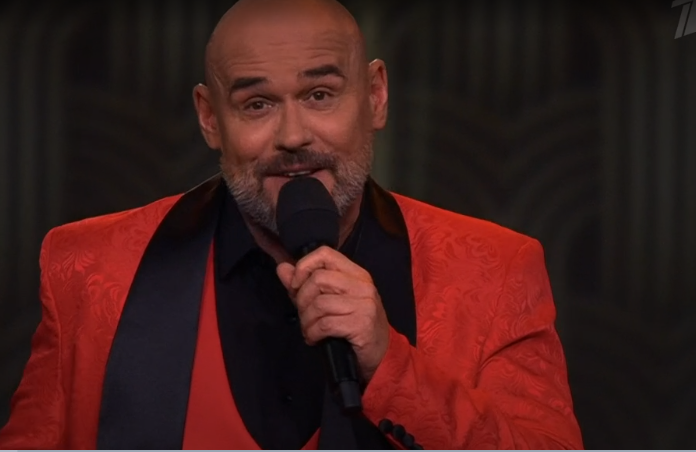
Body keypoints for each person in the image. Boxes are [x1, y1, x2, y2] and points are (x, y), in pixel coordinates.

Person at [0, 0, 583, 449]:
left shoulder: (497, 272)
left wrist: (391, 365)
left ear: (376, 96)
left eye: (320, 94)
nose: (294, 136)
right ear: (210, 118)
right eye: (257, 104)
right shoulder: (86, 268)